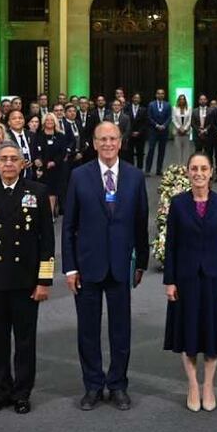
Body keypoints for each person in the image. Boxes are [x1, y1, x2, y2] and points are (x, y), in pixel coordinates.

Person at [62, 121, 150, 411]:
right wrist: (70, 268)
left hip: (120, 265)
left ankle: (118, 385)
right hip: (87, 266)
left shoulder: (135, 177)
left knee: (120, 330)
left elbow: (140, 223)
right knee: (87, 330)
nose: (108, 144)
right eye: (103, 139)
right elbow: (68, 226)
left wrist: (142, 263)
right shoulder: (79, 176)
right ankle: (93, 386)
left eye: (113, 138)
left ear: (121, 142)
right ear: (94, 143)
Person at [0, 143, 55, 414]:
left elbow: (47, 242)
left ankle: (22, 393)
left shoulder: (36, 192)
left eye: (13, 159)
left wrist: (44, 282)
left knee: (25, 340)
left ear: (22, 163)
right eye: (3, 159)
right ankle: (1, 390)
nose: (8, 164)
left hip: (26, 281)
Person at [163, 153, 217, 412]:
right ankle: (193, 384)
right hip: (185, 279)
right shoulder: (178, 203)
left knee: (212, 333)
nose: (199, 173)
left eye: (204, 168)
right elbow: (170, 245)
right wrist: (169, 281)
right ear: (187, 172)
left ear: (211, 172)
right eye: (194, 168)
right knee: (189, 333)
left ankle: (209, 385)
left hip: (215, 278)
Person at [35, 113, 69, 214]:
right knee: (41, 191)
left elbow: (63, 152)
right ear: (44, 122)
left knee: (52, 191)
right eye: (47, 120)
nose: (49, 122)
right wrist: (38, 160)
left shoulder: (60, 135)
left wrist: (54, 162)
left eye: (51, 120)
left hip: (56, 168)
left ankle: (50, 214)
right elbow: (35, 150)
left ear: (55, 122)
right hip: (42, 168)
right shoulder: (38, 135)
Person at [145, 88, 172, 176]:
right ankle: (148, 170)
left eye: (162, 93)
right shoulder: (151, 104)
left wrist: (164, 125)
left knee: (162, 151)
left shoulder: (167, 105)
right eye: (158, 93)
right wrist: (156, 125)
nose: (160, 95)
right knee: (151, 150)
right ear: (156, 95)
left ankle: (159, 170)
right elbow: (149, 117)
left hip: (164, 131)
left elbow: (169, 117)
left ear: (164, 95)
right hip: (153, 130)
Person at [127, 93, 150, 169]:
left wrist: (139, 132)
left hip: (140, 135)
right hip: (130, 135)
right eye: (135, 98)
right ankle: (131, 169)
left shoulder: (144, 109)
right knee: (130, 154)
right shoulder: (127, 108)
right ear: (132, 99)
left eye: (138, 98)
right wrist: (131, 132)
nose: (136, 99)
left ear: (140, 100)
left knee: (140, 154)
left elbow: (145, 122)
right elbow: (127, 122)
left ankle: (139, 170)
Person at [169, 95, 193, 168]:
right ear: (178, 101)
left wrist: (185, 129)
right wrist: (179, 128)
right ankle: (179, 167)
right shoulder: (174, 108)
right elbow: (173, 119)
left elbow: (189, 120)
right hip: (177, 132)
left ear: (185, 100)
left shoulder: (189, 108)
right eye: (180, 99)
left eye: (183, 99)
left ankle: (185, 166)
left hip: (186, 132)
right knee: (178, 150)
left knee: (186, 150)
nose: (182, 101)